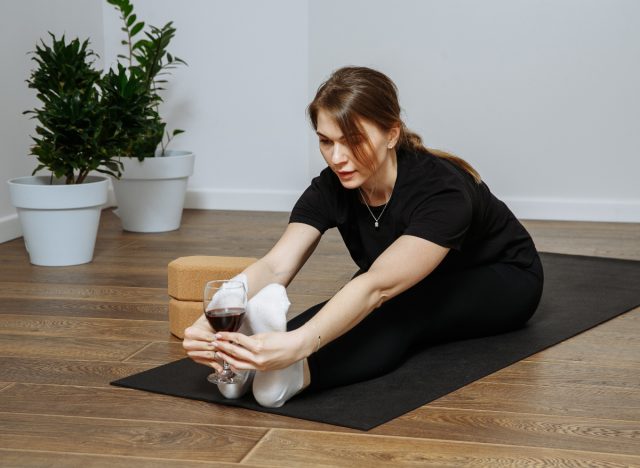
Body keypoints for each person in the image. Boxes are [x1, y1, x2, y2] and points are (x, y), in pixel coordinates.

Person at [183, 66, 544, 408]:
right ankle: (251, 361)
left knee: (398, 307)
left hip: (502, 277)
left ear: (392, 133)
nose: (337, 157)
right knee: (343, 304)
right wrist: (212, 319)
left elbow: (376, 287)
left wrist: (299, 347)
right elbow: (277, 266)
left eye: (353, 141)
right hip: (408, 275)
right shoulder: (332, 186)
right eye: (326, 141)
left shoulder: (443, 191)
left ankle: (295, 376)